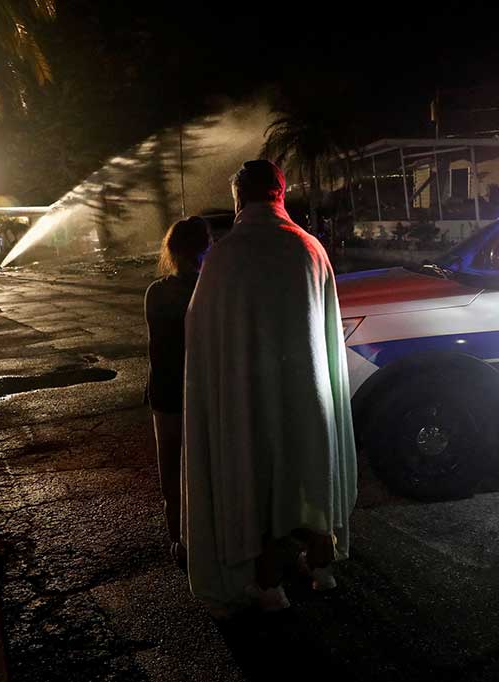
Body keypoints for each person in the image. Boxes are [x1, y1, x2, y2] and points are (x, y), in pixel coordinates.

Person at [183, 160, 357, 617]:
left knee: (258, 484)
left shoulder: (225, 255)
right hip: (310, 392)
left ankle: (269, 585)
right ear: (281, 193)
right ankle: (321, 567)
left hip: (251, 399)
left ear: (239, 197)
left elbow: (200, 331)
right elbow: (327, 328)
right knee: (311, 472)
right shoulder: (310, 248)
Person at [145, 217, 210, 569]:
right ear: (206, 249)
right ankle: (212, 536)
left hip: (166, 393)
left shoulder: (156, 292)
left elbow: (157, 348)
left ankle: (180, 541)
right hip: (205, 393)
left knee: (171, 472)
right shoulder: (212, 292)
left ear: (170, 251)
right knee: (208, 468)